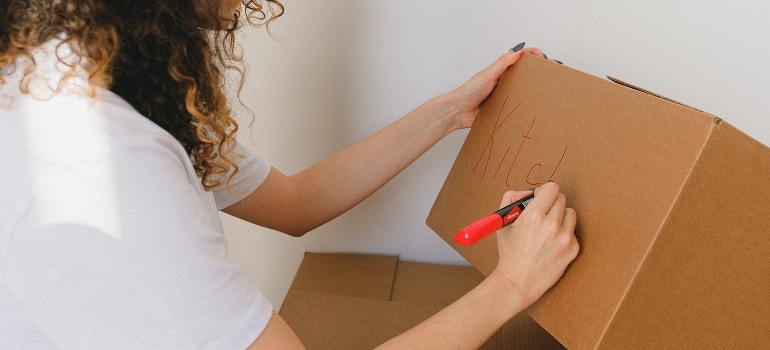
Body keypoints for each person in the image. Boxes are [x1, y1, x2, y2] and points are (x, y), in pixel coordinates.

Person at [0, 0, 579, 349]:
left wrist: (452, 110)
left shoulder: (90, 75)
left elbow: (296, 202)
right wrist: (513, 285)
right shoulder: (104, 165)